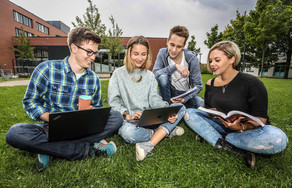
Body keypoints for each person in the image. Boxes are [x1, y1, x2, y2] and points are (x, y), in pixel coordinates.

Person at [6, 27, 123, 172]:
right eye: (89, 52)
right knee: (15, 133)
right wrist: (51, 118)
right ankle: (88, 149)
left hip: (83, 128)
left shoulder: (93, 78)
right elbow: (30, 101)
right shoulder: (46, 69)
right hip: (52, 127)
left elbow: (98, 108)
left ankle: (49, 149)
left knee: (116, 117)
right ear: (74, 47)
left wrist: (93, 113)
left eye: (95, 53)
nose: (93, 57)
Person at [184, 41, 288, 168]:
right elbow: (209, 109)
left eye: (217, 60)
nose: (212, 64)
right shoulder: (210, 84)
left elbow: (261, 119)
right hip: (221, 124)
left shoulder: (252, 83)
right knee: (189, 113)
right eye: (210, 61)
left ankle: (214, 136)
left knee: (278, 140)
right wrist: (210, 113)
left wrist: (241, 127)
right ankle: (232, 148)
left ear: (232, 59)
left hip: (248, 130)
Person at [108, 36, 186, 161]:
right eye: (136, 54)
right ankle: (164, 132)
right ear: (129, 53)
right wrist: (128, 115)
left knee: (181, 107)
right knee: (129, 134)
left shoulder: (150, 75)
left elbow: (154, 99)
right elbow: (114, 102)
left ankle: (159, 132)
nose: (140, 58)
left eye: (143, 54)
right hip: (130, 121)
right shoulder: (118, 74)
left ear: (147, 55)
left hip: (149, 118)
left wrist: (166, 109)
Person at [152, 26, 204, 108]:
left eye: (179, 46)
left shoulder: (192, 58)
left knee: (201, 103)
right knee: (162, 77)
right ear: (167, 41)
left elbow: (198, 85)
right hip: (167, 93)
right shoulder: (162, 53)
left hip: (185, 95)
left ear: (183, 46)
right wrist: (175, 67)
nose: (174, 50)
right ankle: (168, 106)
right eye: (172, 45)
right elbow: (155, 74)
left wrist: (185, 98)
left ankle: (178, 107)